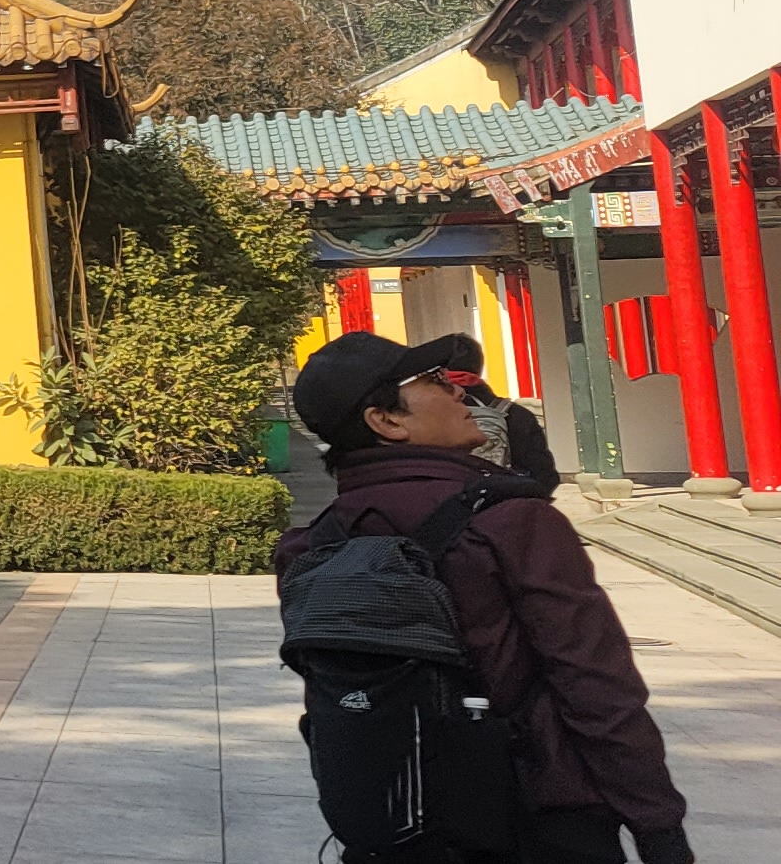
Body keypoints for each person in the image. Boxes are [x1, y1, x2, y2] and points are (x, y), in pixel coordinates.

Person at [281, 331, 691, 863]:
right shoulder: (513, 523)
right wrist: (658, 826)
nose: (458, 390)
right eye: (433, 381)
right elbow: (595, 684)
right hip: (536, 817)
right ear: (386, 421)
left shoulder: (311, 545)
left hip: (388, 822)